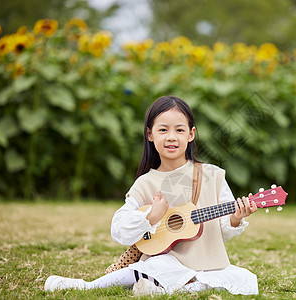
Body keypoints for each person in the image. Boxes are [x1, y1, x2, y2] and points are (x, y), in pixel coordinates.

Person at [44, 96, 259, 296]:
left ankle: (160, 290)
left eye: (180, 130)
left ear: (191, 134)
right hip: (166, 263)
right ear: (150, 134)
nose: (171, 137)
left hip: (209, 264)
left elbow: (225, 230)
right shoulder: (145, 183)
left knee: (238, 279)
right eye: (163, 130)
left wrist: (235, 218)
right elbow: (118, 229)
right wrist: (150, 217)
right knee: (150, 267)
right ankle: (86, 286)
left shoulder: (212, 175)